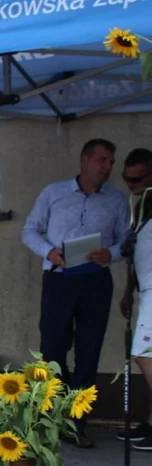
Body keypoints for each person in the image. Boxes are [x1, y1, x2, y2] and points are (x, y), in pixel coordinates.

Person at [22, 138, 131, 448]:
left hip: (96, 280)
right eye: (102, 160)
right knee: (52, 349)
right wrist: (50, 251)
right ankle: (53, 418)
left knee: (89, 350)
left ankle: (78, 423)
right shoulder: (53, 193)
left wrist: (110, 253)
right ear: (84, 161)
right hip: (59, 278)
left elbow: (126, 241)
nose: (108, 167)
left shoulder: (116, 200)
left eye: (111, 161)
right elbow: (29, 230)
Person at [118, 148, 152, 448]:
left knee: (144, 354)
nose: (132, 186)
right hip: (146, 289)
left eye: (137, 179)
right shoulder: (142, 208)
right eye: (127, 180)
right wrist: (128, 291)